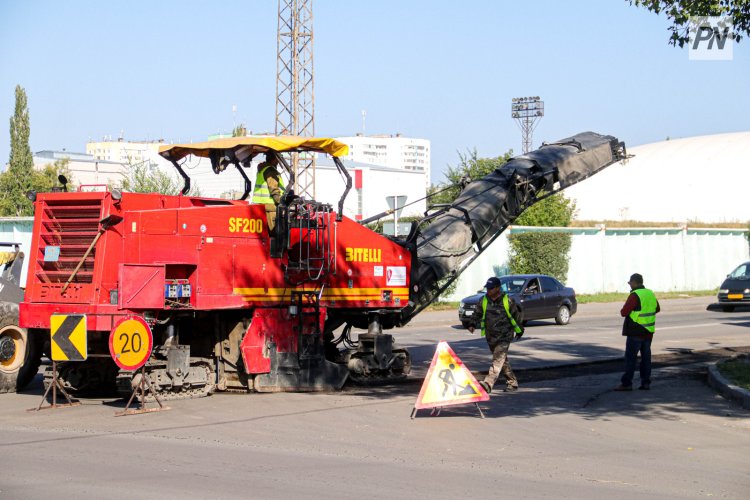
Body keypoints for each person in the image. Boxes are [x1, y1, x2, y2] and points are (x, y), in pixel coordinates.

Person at [468, 276, 524, 394]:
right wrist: (472, 324)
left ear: (498, 288)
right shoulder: (483, 300)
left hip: (505, 335)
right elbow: (477, 313)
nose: (488, 290)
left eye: (491, 288)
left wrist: (520, 330)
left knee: (498, 358)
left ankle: (488, 383)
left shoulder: (507, 301)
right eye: (487, 288)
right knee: (501, 360)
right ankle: (512, 383)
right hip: (491, 336)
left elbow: (517, 316)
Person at [615, 273, 660, 391]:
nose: (630, 285)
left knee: (630, 359)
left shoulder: (635, 295)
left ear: (635, 282)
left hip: (636, 331)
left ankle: (627, 384)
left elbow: (624, 312)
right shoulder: (650, 293)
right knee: (646, 359)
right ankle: (646, 383)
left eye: (630, 283)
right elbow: (657, 308)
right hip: (648, 331)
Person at [253, 153, 285, 231]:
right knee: (275, 232)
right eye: (277, 160)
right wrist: (281, 203)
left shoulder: (263, 169)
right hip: (270, 207)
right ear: (275, 159)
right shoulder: (270, 171)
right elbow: (274, 189)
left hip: (261, 206)